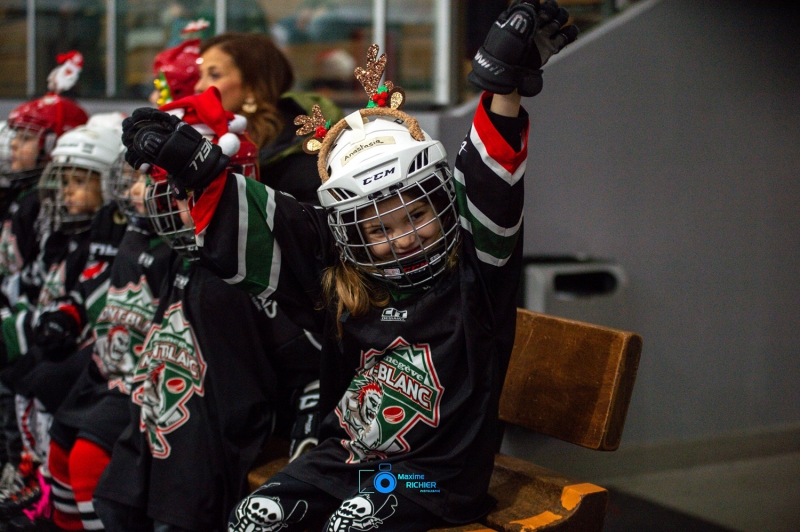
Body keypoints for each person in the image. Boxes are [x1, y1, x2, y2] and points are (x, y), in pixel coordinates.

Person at [119, 1, 578, 529]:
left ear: (443, 200)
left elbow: (490, 179)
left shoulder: (477, 267)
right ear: (349, 234)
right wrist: (195, 165)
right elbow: (276, 225)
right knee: (254, 517)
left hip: (434, 475)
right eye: (378, 229)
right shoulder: (342, 271)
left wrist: (502, 85)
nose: (402, 237)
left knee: (352, 523)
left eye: (416, 213)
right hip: (348, 460)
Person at [92, 88, 319, 532]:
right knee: (112, 503)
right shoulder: (178, 255)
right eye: (168, 192)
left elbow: (309, 368)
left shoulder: (250, 274)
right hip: (156, 429)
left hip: (206, 455)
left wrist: (307, 443)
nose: (171, 204)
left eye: (181, 192)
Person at [0, 114, 126, 520]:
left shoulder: (108, 237)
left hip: (98, 356)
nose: (65, 193)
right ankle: (31, 471)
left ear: (108, 183)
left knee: (38, 382)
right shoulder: (64, 235)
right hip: (68, 342)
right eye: (65, 181)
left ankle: (40, 481)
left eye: (79, 182)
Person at [195, 32, 343, 203]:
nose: (199, 86)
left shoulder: (299, 157)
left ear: (252, 86)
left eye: (214, 75)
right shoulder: (208, 135)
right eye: (200, 75)